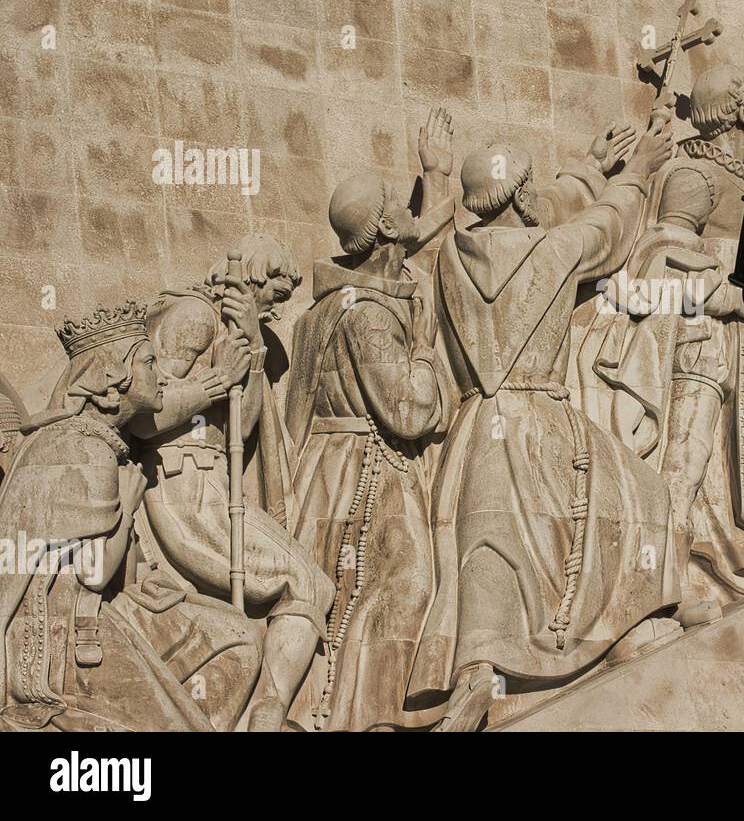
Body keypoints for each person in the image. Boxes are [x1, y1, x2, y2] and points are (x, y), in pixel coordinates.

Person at [407, 118, 680, 732]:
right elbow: (606, 230)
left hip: (474, 425)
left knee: (487, 550)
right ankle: (612, 635)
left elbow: (422, 241)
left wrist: (439, 176)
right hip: (537, 416)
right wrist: (637, 171)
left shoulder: (450, 256)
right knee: (645, 499)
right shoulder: (551, 250)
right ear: (523, 196)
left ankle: (479, 672)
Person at [285, 111, 457, 731]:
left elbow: (425, 245)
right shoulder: (368, 316)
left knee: (357, 595)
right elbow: (410, 410)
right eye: (399, 201)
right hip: (370, 471)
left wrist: (437, 177)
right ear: (385, 226)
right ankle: (369, 716)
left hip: (331, 474)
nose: (410, 208)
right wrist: (426, 352)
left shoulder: (333, 305)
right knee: (403, 585)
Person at [126, 234, 333, 732]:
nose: (280, 308)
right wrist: (216, 383)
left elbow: (241, 429)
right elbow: (142, 416)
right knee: (304, 581)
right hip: (182, 484)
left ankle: (267, 707)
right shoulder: (194, 316)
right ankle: (267, 713)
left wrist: (255, 354)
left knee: (311, 583)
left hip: (212, 478)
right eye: (278, 294)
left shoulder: (236, 331)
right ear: (256, 279)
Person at [0, 302, 211, 731]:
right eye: (150, 363)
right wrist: (130, 503)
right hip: (57, 642)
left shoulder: (78, 439)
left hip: (75, 617)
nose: (160, 377)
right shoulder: (89, 451)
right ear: (114, 379)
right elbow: (94, 574)